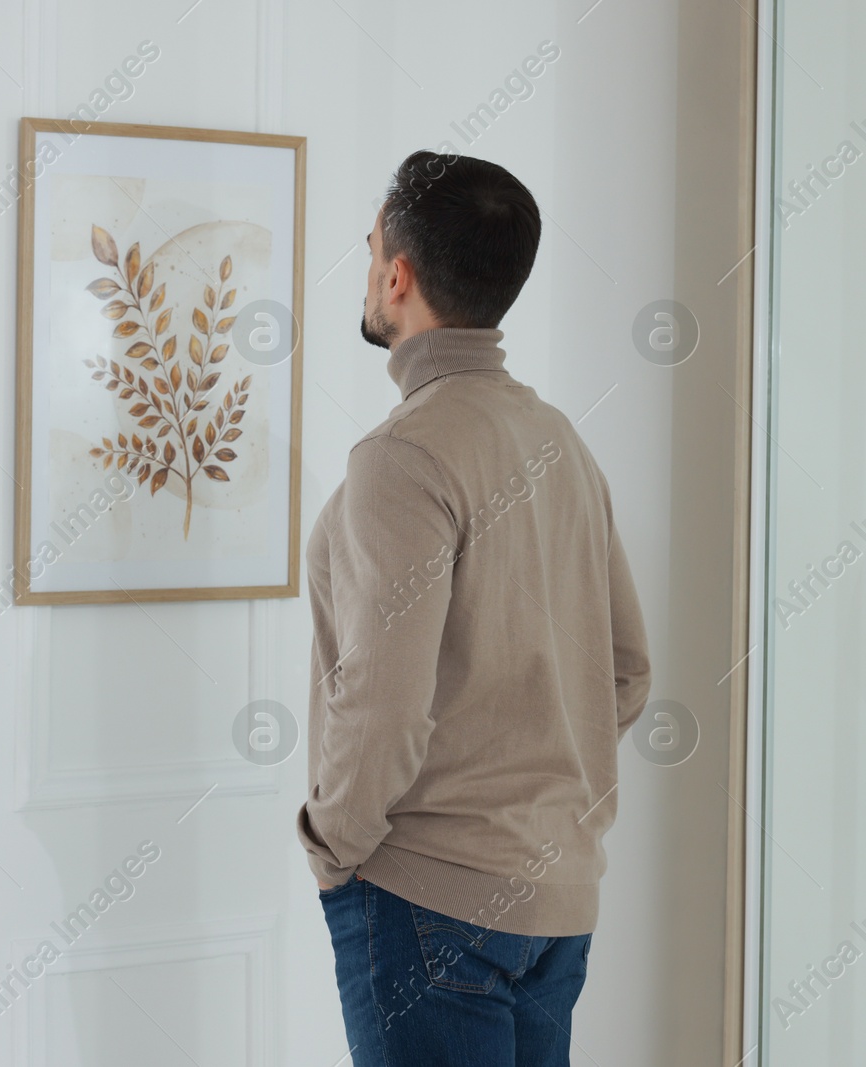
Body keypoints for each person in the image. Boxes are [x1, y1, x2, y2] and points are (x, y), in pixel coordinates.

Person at [298, 149, 652, 1066]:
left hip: (427, 902)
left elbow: (384, 705)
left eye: (371, 245)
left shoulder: (402, 456)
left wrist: (334, 849)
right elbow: (626, 670)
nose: (368, 266)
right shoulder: (554, 436)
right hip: (557, 903)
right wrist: (533, 798)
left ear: (399, 275)